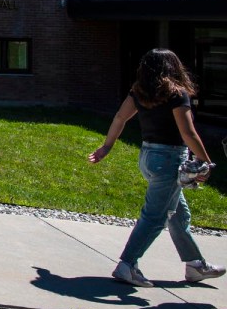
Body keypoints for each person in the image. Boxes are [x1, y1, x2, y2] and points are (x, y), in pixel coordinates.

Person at [88, 49, 223, 287]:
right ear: (174, 67)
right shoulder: (177, 94)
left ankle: (195, 265)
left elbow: (120, 117)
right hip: (170, 159)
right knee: (154, 217)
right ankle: (127, 265)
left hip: (149, 157)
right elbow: (188, 133)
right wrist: (205, 161)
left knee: (178, 214)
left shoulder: (139, 91)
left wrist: (107, 146)